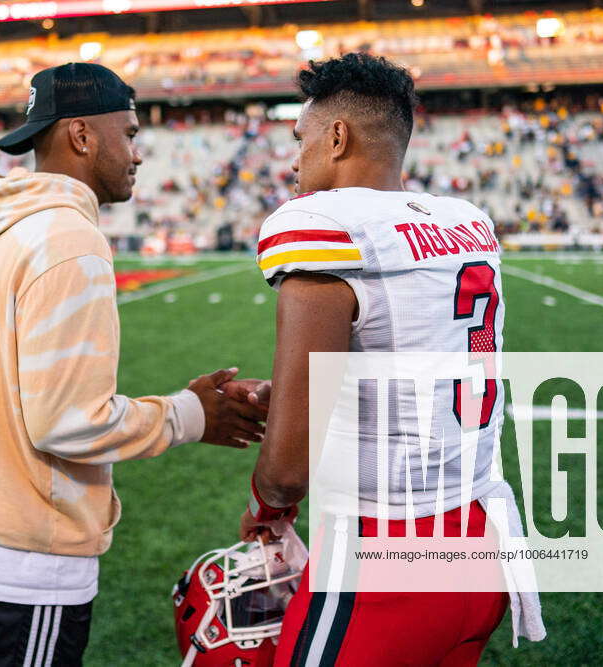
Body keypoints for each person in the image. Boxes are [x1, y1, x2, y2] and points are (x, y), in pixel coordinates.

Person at [0, 63, 266, 666]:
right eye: (129, 134)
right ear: (82, 135)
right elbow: (67, 422)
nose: (137, 154)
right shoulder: (67, 239)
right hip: (23, 551)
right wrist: (191, 415)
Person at [227, 53, 545, 665]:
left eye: (302, 139)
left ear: (338, 136)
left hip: (387, 561)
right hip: (483, 541)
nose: (295, 159)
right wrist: (304, 393)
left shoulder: (325, 223)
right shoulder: (466, 222)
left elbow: (288, 469)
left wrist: (267, 508)